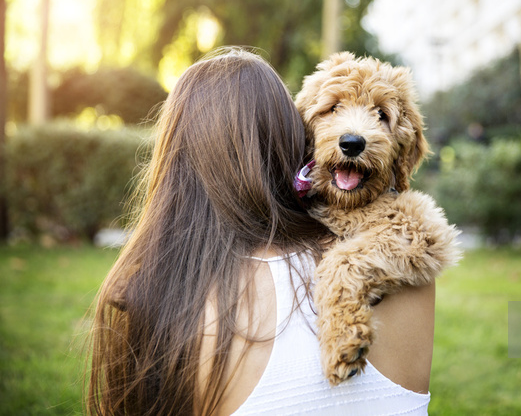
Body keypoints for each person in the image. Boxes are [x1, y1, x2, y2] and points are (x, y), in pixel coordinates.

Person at [87, 48, 435, 415]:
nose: (353, 129)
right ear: (293, 137)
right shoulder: (415, 286)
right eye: (332, 109)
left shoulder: (151, 298)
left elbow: (418, 236)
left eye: (381, 115)